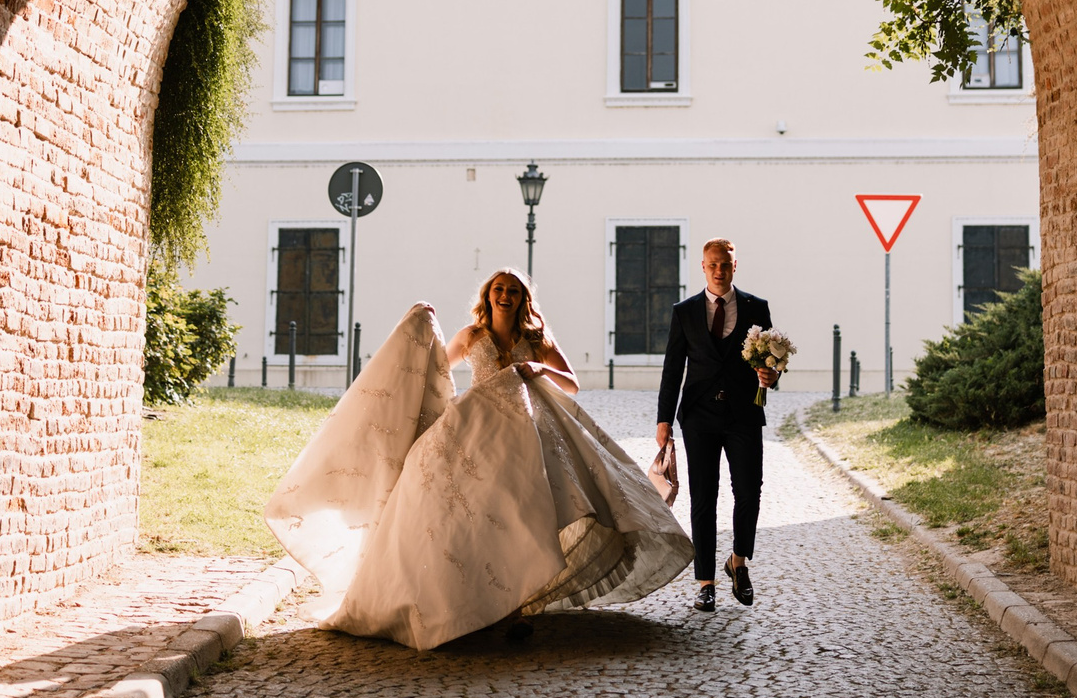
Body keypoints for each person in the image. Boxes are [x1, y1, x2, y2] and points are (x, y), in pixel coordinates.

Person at [264, 270, 691, 649]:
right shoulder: (471, 337)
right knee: (473, 516)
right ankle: (471, 602)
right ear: (487, 297)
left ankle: (515, 608)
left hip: (528, 437)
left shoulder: (536, 339)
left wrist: (539, 371)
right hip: (476, 433)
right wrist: (423, 323)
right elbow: (435, 367)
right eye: (498, 290)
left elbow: (573, 385)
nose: (505, 296)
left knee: (524, 515)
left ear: (524, 299)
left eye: (513, 291)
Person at [656, 238, 773, 611]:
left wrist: (770, 377)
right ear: (703, 268)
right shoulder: (685, 311)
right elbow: (673, 368)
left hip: (743, 414)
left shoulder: (758, 308)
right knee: (704, 498)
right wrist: (663, 419)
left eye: (725, 264)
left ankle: (738, 562)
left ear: (735, 266)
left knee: (749, 491)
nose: (719, 270)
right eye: (712, 265)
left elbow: (770, 363)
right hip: (699, 416)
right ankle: (705, 582)